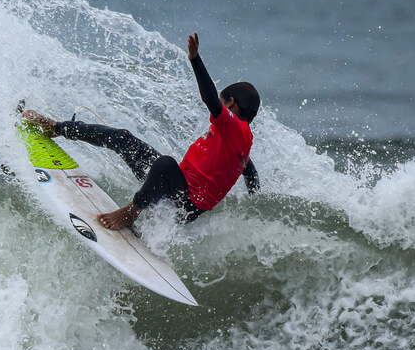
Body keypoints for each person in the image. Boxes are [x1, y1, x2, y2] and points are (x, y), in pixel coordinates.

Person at [23, 32, 259, 229]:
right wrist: (255, 202)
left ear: (230, 104)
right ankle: (57, 128)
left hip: (181, 205)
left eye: (222, 103)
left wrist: (195, 59)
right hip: (174, 189)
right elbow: (248, 169)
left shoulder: (232, 124)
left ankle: (130, 213)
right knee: (123, 138)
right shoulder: (243, 141)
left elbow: (209, 98)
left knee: (166, 164)